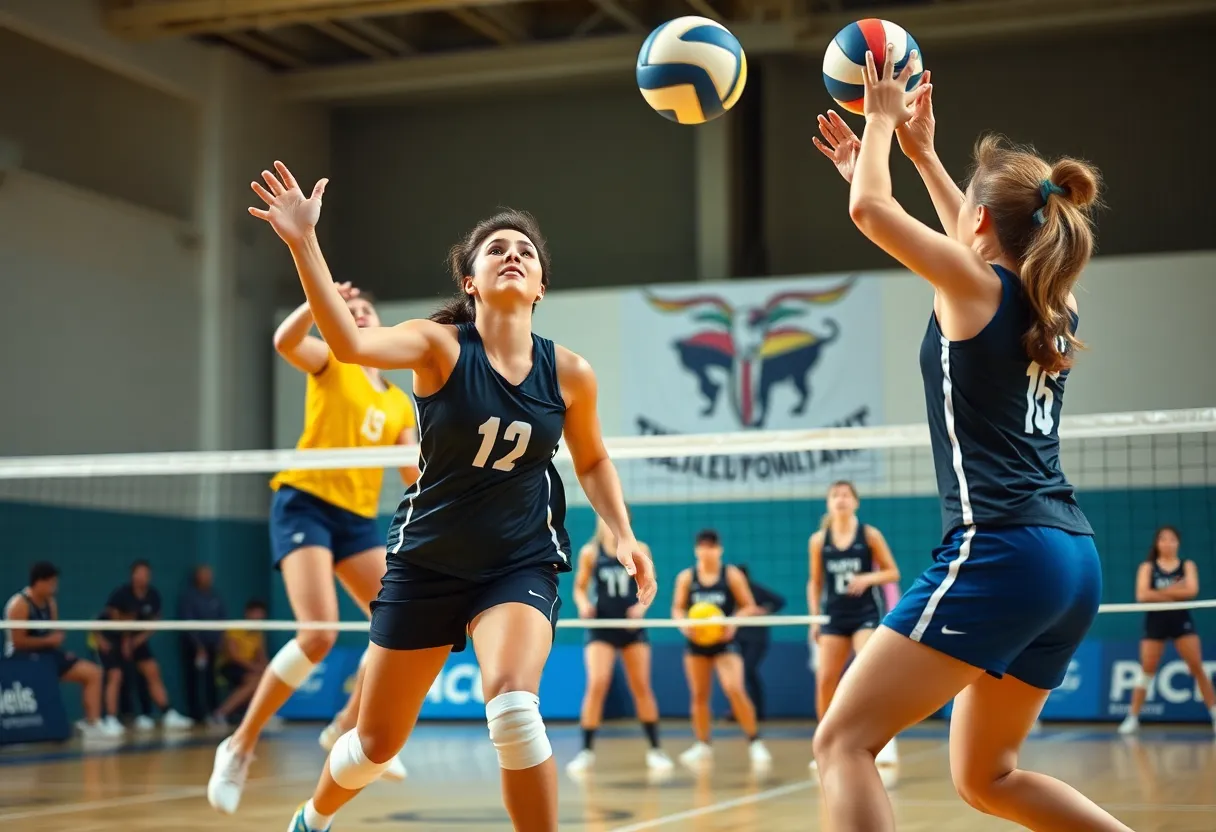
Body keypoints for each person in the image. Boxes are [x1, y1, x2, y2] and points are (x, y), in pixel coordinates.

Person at [241, 161, 655, 832]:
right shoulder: (439, 347)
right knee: (375, 745)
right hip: (427, 562)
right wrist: (302, 241)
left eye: (526, 251)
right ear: (470, 281)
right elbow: (347, 342)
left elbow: (593, 459)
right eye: (497, 249)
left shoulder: (571, 373)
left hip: (518, 561)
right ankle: (312, 818)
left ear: (541, 285)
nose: (513, 255)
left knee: (514, 710)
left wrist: (624, 533)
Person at [808, 50, 1130, 831]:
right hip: (1072, 559)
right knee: (988, 777)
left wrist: (880, 125)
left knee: (842, 744)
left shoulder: (972, 287)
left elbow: (870, 211)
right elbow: (975, 235)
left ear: (980, 223)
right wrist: (920, 153)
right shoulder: (1057, 305)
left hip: (1004, 550)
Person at [207, 279, 419, 813]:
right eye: (352, 308)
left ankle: (347, 724)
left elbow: (413, 470)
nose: (360, 312)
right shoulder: (331, 359)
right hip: (305, 503)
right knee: (319, 633)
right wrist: (316, 302)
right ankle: (239, 745)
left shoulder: (398, 402)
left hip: (355, 520)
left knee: (402, 619)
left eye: (367, 308)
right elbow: (284, 342)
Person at [567, 514, 673, 775]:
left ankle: (655, 750)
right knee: (597, 683)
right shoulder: (591, 552)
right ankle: (586, 751)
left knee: (641, 686)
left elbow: (650, 584)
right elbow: (579, 588)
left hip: (630, 627)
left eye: (617, 518)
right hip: (602, 627)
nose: (611, 523)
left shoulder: (639, 548)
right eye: (606, 518)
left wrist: (640, 609)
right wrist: (583, 605)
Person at [806, 480, 900, 767]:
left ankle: (884, 742)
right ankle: (825, 745)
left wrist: (867, 578)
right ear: (828, 503)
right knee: (825, 679)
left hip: (865, 615)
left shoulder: (869, 535)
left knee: (868, 675)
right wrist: (814, 618)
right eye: (835, 495)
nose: (841, 499)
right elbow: (815, 582)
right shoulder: (818, 540)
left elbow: (892, 572)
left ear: (855, 502)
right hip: (834, 616)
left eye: (846, 495)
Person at [671, 529, 770, 768]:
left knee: (734, 688)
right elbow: (677, 608)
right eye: (703, 547)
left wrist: (732, 622)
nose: (707, 551)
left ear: (719, 550)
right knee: (699, 695)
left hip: (724, 643)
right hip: (697, 643)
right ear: (696, 550)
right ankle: (702, 744)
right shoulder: (687, 577)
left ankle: (754, 741)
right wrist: (683, 625)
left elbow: (748, 606)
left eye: (712, 547)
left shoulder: (731, 574)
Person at [3, 562, 121, 739]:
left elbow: (53, 633)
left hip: (48, 655)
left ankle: (92, 724)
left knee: (94, 673)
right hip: (23, 659)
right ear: (39, 582)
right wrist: (48, 640)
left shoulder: (50, 603)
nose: (54, 587)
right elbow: (17, 642)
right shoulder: (19, 604)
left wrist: (58, 645)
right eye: (51, 583)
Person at [1118, 526, 1216, 735]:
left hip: (1181, 620)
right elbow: (1143, 595)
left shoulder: (1187, 565)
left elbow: (1192, 590)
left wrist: (1159, 593)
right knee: (1147, 669)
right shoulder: (1148, 567)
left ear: (1178, 543)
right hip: (1155, 621)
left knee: (1197, 667)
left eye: (1172, 539)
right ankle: (1132, 717)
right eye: (1163, 539)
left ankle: (1214, 713)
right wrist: (1176, 590)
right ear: (1157, 543)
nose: (1168, 543)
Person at [99, 561, 193, 731]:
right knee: (115, 675)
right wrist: (126, 638)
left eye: (145, 573)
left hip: (137, 641)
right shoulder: (121, 594)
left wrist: (137, 640)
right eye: (138, 573)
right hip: (113, 640)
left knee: (152, 670)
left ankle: (167, 713)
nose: (141, 577)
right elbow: (113, 618)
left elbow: (154, 622)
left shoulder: (153, 595)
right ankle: (110, 719)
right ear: (132, 575)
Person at [732, 564, 785, 724]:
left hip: (756, 638)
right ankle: (740, 711)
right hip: (737, 638)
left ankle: (756, 711)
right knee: (736, 676)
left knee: (748, 671)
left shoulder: (757, 590)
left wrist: (763, 610)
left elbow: (779, 601)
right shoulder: (730, 591)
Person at [178, 565, 227, 726]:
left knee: (211, 680)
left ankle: (213, 712)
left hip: (213, 646)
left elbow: (222, 620)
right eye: (204, 575)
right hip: (194, 648)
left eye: (209, 575)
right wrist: (198, 647)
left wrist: (220, 641)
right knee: (193, 680)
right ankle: (196, 716)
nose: (208, 578)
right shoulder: (189, 597)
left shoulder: (215, 596)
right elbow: (188, 622)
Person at [213, 600, 271, 725]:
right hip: (230, 666)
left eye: (260, 617)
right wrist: (255, 668)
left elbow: (261, 656)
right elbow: (234, 656)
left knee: (265, 680)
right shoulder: (234, 629)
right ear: (247, 614)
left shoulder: (259, 634)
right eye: (255, 615)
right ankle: (221, 713)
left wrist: (267, 670)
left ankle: (259, 716)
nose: (258, 619)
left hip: (249, 668)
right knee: (254, 681)